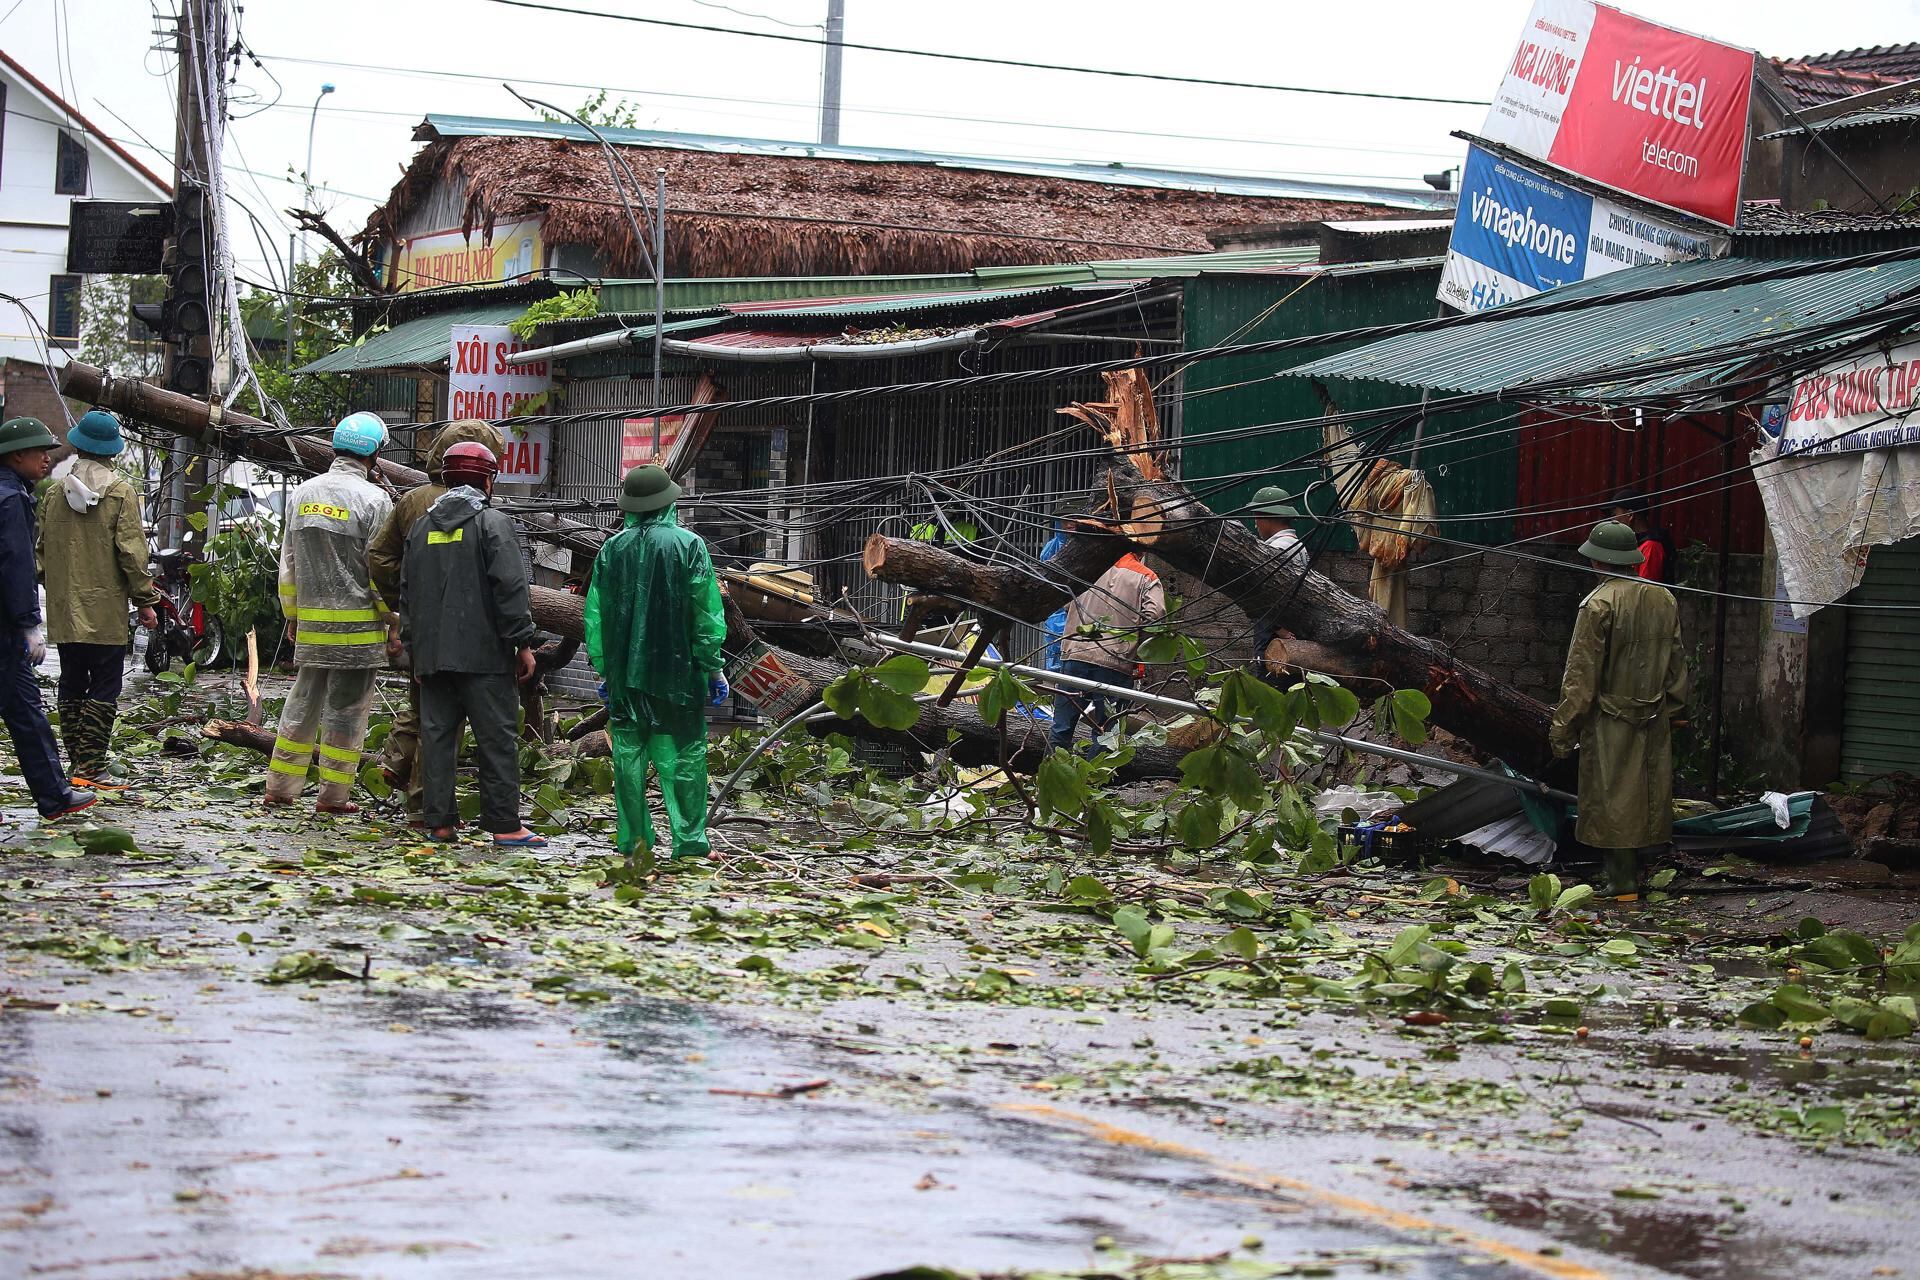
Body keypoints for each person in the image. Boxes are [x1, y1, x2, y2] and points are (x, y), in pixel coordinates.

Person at [399, 441, 545, 848]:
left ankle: (440, 824)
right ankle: (504, 825)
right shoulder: (492, 523)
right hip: (484, 658)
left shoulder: (421, 527)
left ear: (446, 478)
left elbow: (406, 594)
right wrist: (522, 643)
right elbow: (511, 587)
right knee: (496, 739)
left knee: (438, 739)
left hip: (431, 658)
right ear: (487, 479)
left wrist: (415, 652)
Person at [586, 464, 728, 865]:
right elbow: (706, 614)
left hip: (624, 678)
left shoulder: (611, 550)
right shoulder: (689, 546)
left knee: (627, 760)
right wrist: (713, 667)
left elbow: (596, 617)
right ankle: (690, 842)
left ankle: (633, 842)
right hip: (678, 676)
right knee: (684, 758)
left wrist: (603, 670)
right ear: (669, 501)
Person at [367, 418, 505, 815]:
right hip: (473, 638)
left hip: (424, 631)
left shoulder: (413, 500)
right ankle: (424, 805)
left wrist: (406, 600)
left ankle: (399, 765)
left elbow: (379, 557)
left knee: (426, 707)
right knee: (445, 723)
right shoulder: (480, 507)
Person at [1549, 520, 1689, 896]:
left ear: (1597, 562)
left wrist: (1562, 730)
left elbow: (1581, 676)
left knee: (1614, 800)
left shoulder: (1598, 603)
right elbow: (1676, 661)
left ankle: (1622, 882)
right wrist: (1673, 708)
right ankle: (1631, 877)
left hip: (1610, 718)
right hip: (1654, 715)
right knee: (1644, 795)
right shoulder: (1664, 598)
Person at [264, 412, 394, 814]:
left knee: (301, 704)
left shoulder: (303, 493)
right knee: (347, 715)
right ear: (374, 454)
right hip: (359, 633)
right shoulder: (375, 500)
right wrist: (393, 622)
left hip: (312, 627)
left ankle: (280, 789)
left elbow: (288, 562)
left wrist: (292, 615)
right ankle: (334, 798)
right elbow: (380, 572)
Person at [37, 410, 163, 789]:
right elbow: (132, 553)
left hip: (63, 608)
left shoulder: (55, 494)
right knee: (106, 684)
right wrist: (145, 599)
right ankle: (91, 767)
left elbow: (40, 553)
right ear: (112, 451)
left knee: (72, 680)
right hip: (105, 609)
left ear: (78, 445)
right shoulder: (121, 493)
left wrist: (60, 585)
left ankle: (77, 762)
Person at [0, 417, 95, 820]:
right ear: (16, 455)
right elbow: (15, 564)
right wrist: (28, 624)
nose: (47, 459)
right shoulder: (11, 499)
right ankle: (55, 797)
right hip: (3, 630)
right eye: (40, 453)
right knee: (26, 713)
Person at [1049, 550, 1164, 752]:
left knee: (1061, 728)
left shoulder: (1086, 569)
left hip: (1075, 657)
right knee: (1107, 734)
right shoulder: (1147, 577)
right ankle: (1094, 782)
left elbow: (1066, 603)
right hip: (1116, 664)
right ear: (1143, 550)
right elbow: (1155, 618)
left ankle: (1049, 780)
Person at [1246, 485, 1304, 672]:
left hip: (1273, 636)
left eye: (1256, 518)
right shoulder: (1299, 547)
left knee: (1265, 689)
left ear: (1266, 518)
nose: (1255, 524)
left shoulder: (1276, 550)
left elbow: (1268, 595)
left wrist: (1278, 628)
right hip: (1292, 632)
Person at [1609, 487, 1676, 585]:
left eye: (1614, 514)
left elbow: (1645, 591)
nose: (1612, 520)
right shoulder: (1637, 543)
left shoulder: (1651, 546)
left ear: (1630, 515)